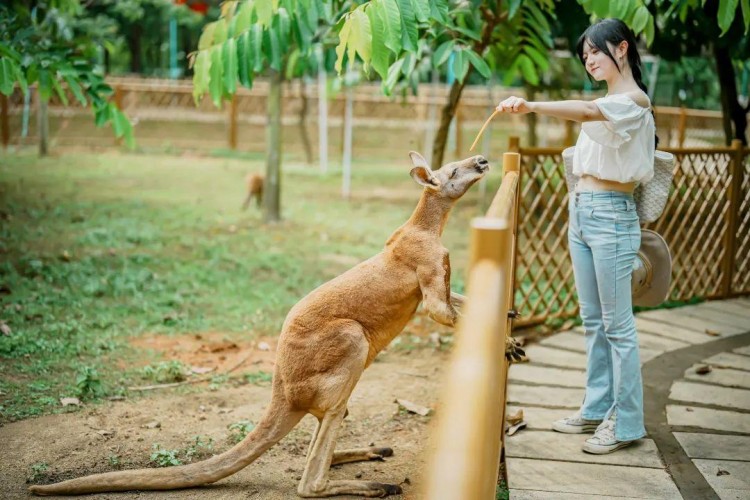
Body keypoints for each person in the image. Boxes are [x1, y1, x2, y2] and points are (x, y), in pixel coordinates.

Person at [496, 18, 655, 454]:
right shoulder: (607, 100)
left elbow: (586, 114)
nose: (589, 61)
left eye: (596, 52)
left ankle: (625, 423)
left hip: (611, 216)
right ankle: (596, 407)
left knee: (617, 326)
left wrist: (530, 106)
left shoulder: (632, 101)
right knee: (592, 321)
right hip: (582, 213)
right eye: (585, 55)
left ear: (621, 49)